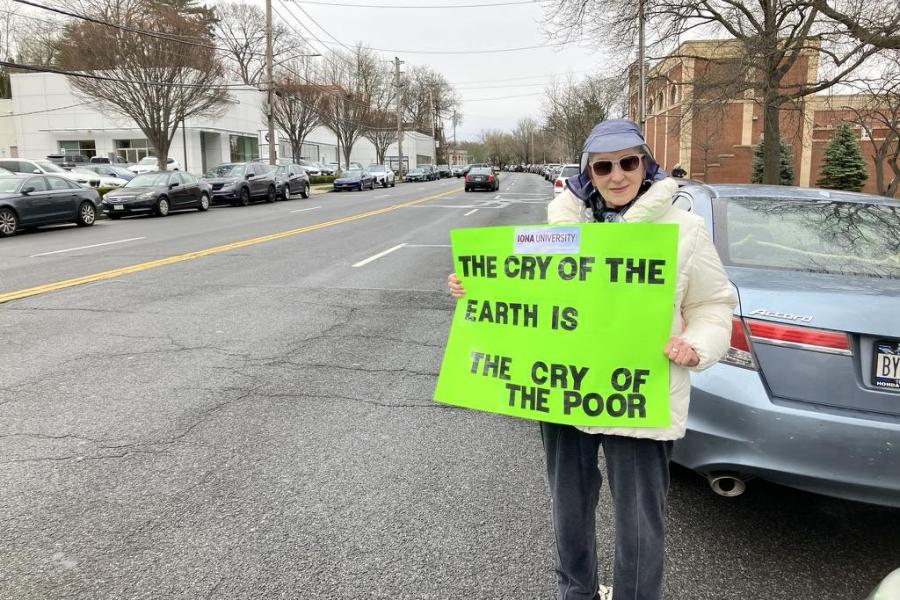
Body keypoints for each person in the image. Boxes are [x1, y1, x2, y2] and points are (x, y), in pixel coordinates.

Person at [447, 118, 736, 600]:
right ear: (589, 173)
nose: (617, 175)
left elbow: (712, 305)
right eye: (604, 166)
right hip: (566, 393)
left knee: (640, 522)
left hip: (639, 396)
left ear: (646, 165)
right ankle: (575, 592)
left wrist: (699, 345)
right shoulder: (561, 227)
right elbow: (527, 294)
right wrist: (475, 287)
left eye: (629, 162)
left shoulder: (683, 230)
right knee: (570, 508)